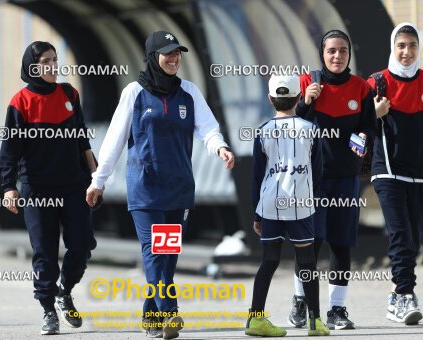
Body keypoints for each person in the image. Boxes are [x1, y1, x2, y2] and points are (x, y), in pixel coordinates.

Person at [86, 30, 234, 339]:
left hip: (178, 188)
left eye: (177, 53)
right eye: (167, 53)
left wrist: (219, 147)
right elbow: (113, 141)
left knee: (167, 256)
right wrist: (98, 181)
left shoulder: (189, 92)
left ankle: (151, 318)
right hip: (145, 187)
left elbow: (207, 129)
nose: (174, 58)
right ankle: (170, 313)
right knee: (153, 251)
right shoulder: (134, 93)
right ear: (153, 56)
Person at [0, 41, 97, 335]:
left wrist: (96, 177)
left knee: (81, 246)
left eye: (55, 59)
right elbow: (10, 150)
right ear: (33, 66)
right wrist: (8, 187)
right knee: (44, 251)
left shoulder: (69, 93)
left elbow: (83, 141)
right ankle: (47, 310)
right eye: (46, 61)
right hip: (37, 190)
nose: (53, 66)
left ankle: (64, 291)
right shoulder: (20, 102)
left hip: (73, 186)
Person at [288, 30, 377, 330]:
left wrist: (364, 138)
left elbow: (368, 126)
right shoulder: (306, 82)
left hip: (346, 179)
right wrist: (306, 103)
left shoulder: (361, 88)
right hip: (311, 179)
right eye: (331, 51)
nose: (337, 56)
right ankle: (301, 302)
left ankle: (336, 310)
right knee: (310, 243)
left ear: (349, 54)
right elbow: (290, 125)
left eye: (343, 50)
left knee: (341, 244)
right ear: (322, 53)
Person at [246, 74, 328, 337]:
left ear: (270, 100)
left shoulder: (262, 131)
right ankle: (315, 322)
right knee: (307, 262)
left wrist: (256, 214)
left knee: (268, 261)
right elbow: (318, 171)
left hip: (269, 204)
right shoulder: (311, 130)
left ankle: (255, 319)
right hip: (301, 205)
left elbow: (257, 177)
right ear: (298, 98)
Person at [367, 22, 423, 325]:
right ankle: (405, 296)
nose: (406, 51)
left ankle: (395, 296)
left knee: (413, 240)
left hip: (418, 173)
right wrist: (374, 115)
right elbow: (354, 131)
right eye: (401, 45)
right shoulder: (377, 83)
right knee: (400, 234)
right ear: (393, 47)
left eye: (412, 45)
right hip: (387, 171)